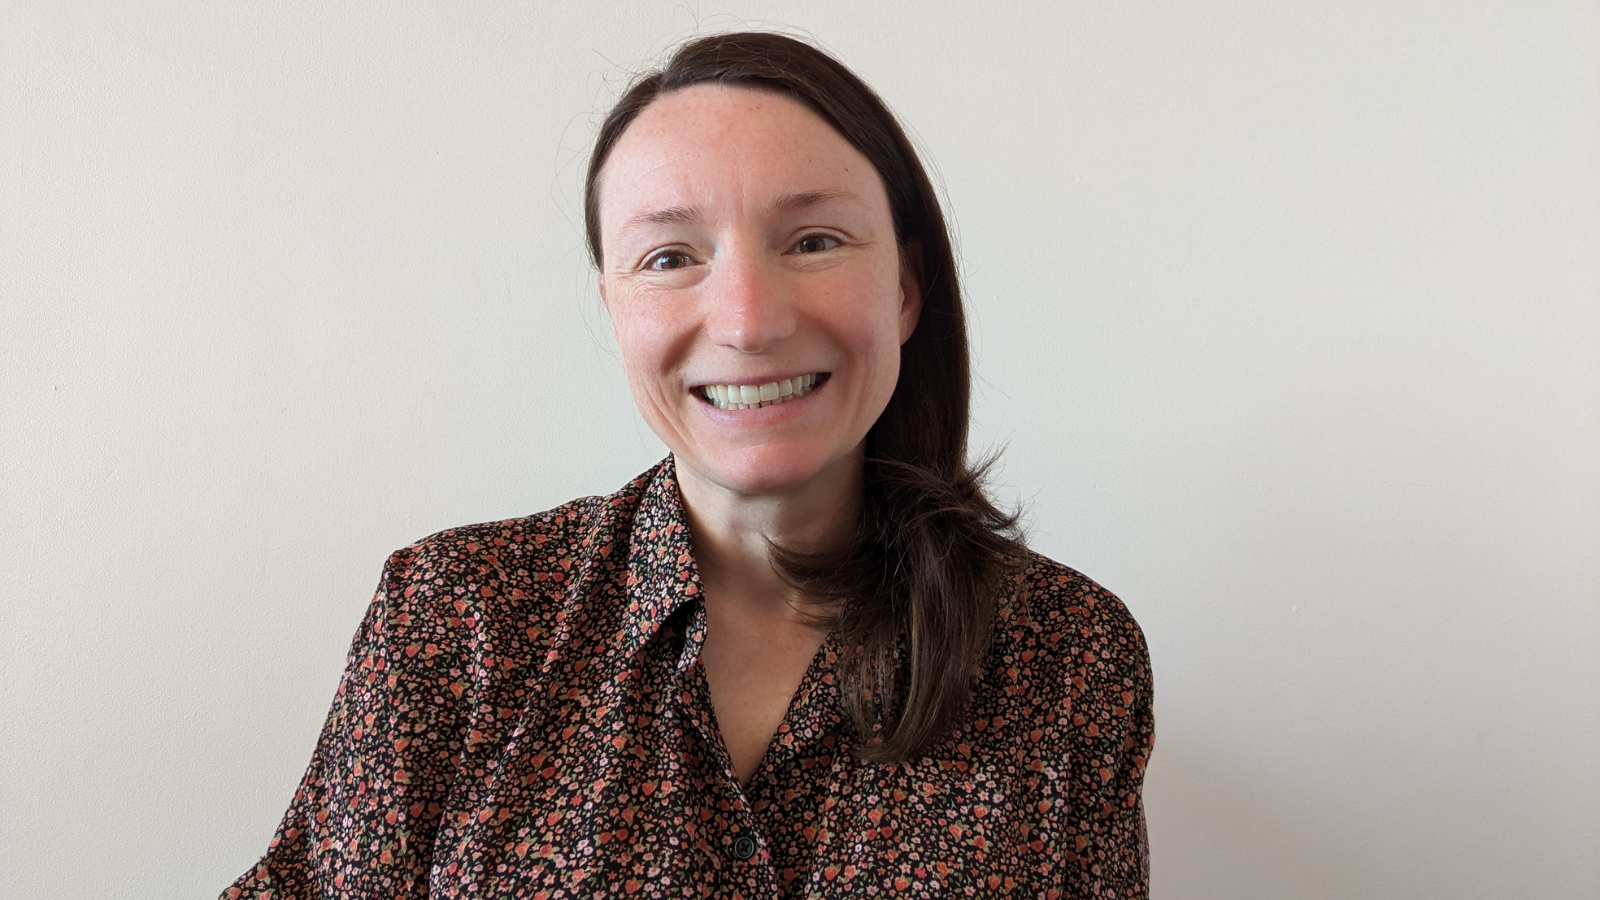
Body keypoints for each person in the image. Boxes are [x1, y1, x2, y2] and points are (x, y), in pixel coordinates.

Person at [224, 31, 1153, 899]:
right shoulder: (456, 617)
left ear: (906, 288)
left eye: (814, 240)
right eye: (669, 257)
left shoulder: (1072, 659)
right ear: (615, 307)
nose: (748, 320)